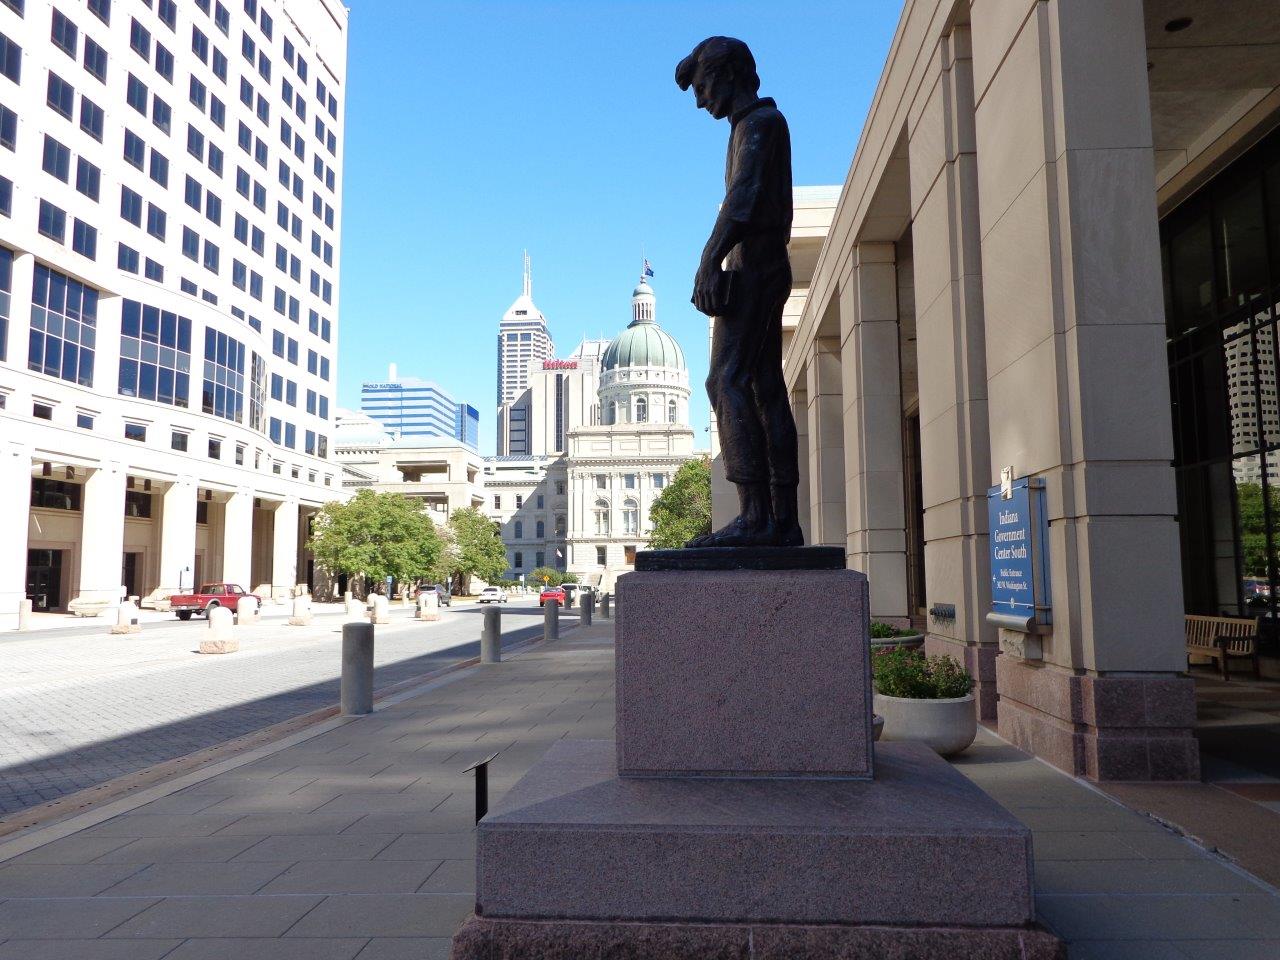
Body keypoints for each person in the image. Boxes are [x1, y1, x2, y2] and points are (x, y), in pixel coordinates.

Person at [676, 36, 802, 548]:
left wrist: (709, 260)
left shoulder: (760, 124)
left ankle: (756, 515)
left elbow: (744, 198)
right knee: (763, 386)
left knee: (724, 381)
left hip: (755, 269)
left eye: (703, 85)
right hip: (758, 266)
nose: (700, 98)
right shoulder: (748, 128)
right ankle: (782, 521)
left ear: (729, 74)